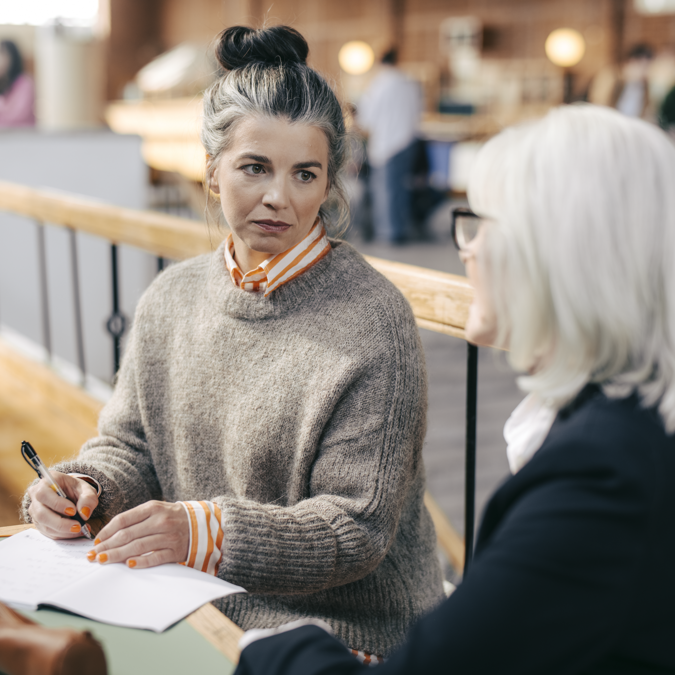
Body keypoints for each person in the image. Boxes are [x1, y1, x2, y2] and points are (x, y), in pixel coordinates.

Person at [21, 25, 444, 660]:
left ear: (330, 185)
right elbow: (129, 444)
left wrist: (203, 531)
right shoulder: (172, 296)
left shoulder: (374, 320)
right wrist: (86, 488)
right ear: (212, 172)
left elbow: (355, 529)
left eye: (306, 174)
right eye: (254, 167)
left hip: (343, 641)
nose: (280, 197)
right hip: (193, 605)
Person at [232, 104, 675, 674]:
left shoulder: (601, 477)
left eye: (480, 223)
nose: (465, 248)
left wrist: (276, 648)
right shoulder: (618, 428)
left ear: (553, 254)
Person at [357, 48, 421, 244]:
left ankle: (388, 233)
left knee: (385, 192)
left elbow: (366, 119)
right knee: (401, 189)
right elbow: (419, 111)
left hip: (386, 146)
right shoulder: (409, 83)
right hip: (408, 143)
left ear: (379, 61)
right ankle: (401, 229)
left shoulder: (379, 85)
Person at [0, 40, 35, 128]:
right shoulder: (3, 84)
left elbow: (19, 116)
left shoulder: (25, 83)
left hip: (21, 137)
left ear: (12, 57)